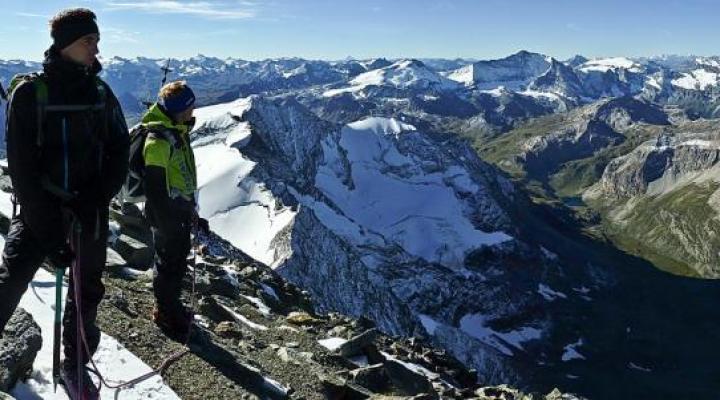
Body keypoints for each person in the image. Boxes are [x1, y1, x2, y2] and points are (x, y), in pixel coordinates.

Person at [0, 7, 130, 398]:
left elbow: (119, 150)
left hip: (88, 211)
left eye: (96, 40)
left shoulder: (100, 93)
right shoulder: (30, 93)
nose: (96, 48)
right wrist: (50, 231)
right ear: (64, 45)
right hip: (42, 210)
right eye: (88, 41)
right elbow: (21, 169)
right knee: (11, 282)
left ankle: (75, 363)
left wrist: (97, 196)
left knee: (86, 291)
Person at [139, 80, 208, 340]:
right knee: (168, 264)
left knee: (176, 263)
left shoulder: (176, 132)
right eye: (190, 107)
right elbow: (155, 186)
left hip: (177, 210)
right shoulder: (159, 140)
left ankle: (171, 307)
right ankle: (166, 312)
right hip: (166, 214)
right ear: (180, 110)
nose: (193, 112)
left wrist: (190, 211)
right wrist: (168, 220)